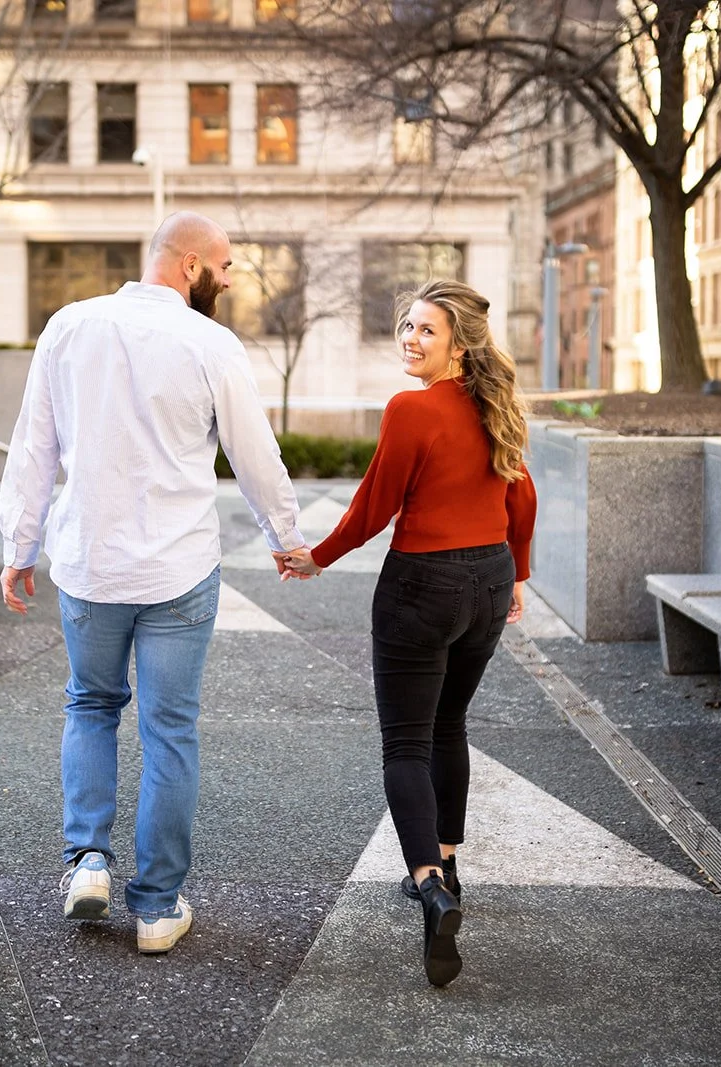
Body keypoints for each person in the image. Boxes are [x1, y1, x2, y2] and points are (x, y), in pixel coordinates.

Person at [0, 211, 307, 955]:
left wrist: (20, 544)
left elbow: (34, 444)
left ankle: (87, 862)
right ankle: (158, 907)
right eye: (226, 267)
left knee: (92, 705)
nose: (231, 281)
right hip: (178, 570)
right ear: (192, 265)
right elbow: (254, 453)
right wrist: (287, 537)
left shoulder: (69, 327)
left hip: (90, 565)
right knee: (170, 731)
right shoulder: (210, 343)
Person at [280, 279, 537, 987]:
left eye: (427, 331)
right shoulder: (495, 407)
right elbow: (523, 492)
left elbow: (374, 504)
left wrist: (316, 557)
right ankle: (448, 860)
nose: (410, 339)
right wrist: (517, 574)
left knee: (406, 741)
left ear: (459, 345)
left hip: (422, 586)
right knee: (449, 724)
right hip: (487, 581)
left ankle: (429, 883)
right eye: (407, 326)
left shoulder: (410, 408)